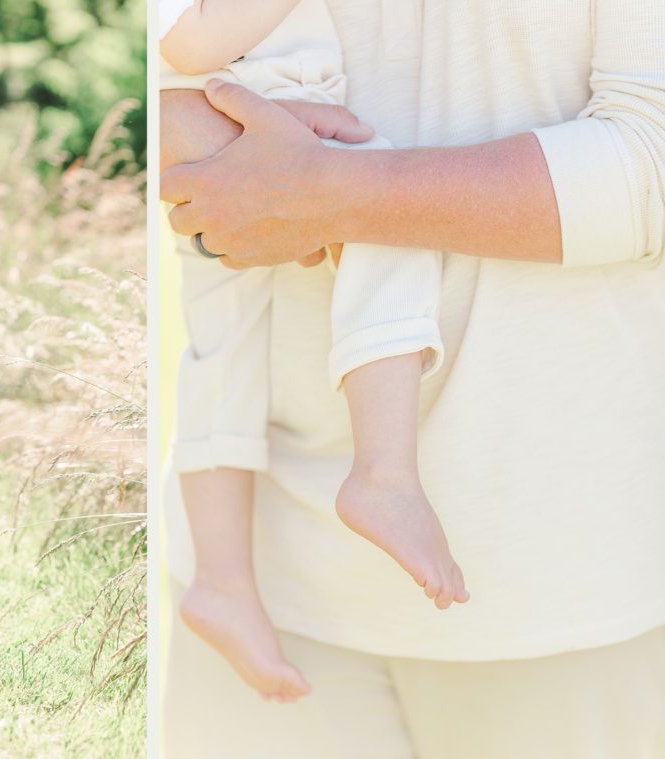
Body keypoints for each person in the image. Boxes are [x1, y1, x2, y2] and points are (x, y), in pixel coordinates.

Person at [160, 2, 665, 756]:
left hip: (552, 581)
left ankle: (369, 482)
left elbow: (650, 160)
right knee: (219, 347)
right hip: (276, 574)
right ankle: (244, 564)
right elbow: (173, 46)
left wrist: (334, 190)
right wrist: (177, 128)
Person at [160, 0, 467, 704]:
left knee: (222, 355)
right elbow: (188, 39)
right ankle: (384, 472)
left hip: (220, 130)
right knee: (385, 212)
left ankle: (222, 581)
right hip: (248, 125)